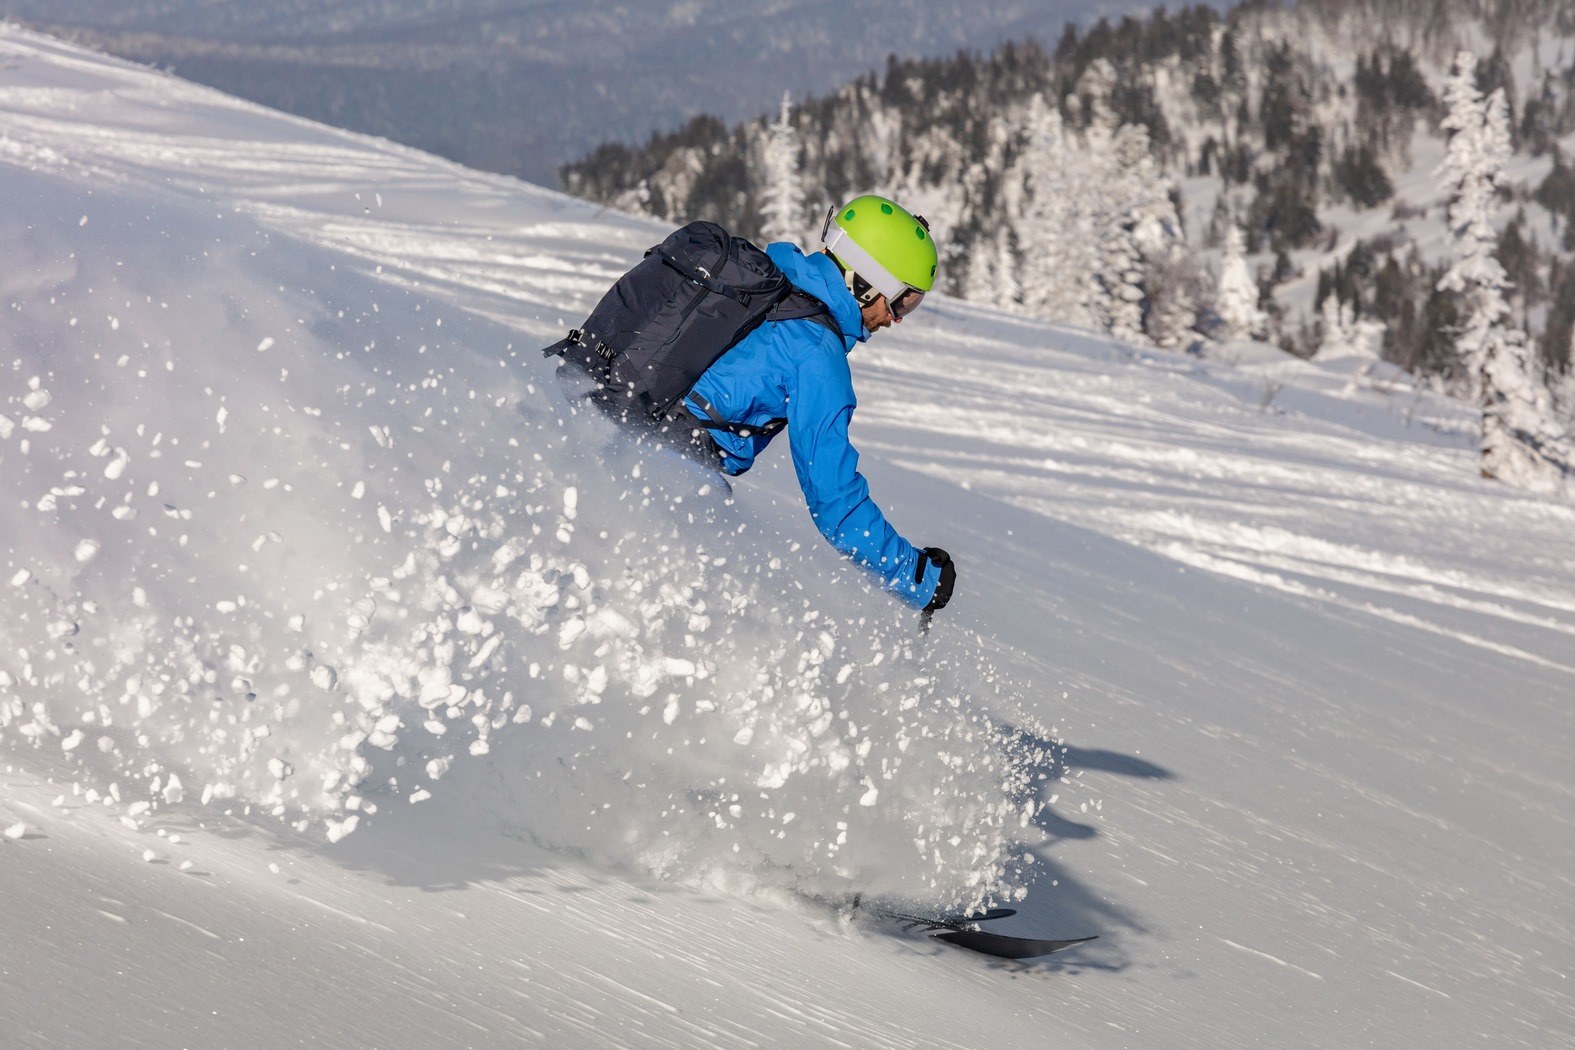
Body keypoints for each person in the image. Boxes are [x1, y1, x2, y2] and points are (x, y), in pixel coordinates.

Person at [664, 194, 955, 617]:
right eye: (902, 298)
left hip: (628, 424)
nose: (898, 318)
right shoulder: (817, 352)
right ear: (866, 280)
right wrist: (918, 578)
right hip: (678, 478)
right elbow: (833, 500)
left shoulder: (767, 282)